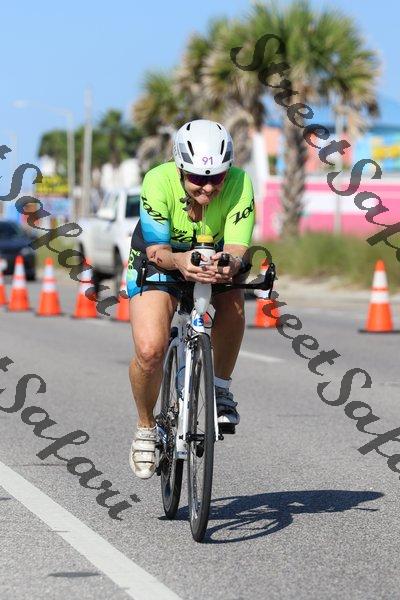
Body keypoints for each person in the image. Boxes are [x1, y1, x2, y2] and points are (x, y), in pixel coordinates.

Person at [127, 119, 255, 479]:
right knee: (150, 350)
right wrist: (181, 262)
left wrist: (230, 264)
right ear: (180, 168)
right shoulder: (157, 180)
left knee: (233, 303)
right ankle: (145, 427)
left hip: (213, 259)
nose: (209, 187)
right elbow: (157, 250)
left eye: (218, 178)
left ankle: (220, 389)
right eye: (198, 178)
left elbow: (237, 247)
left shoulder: (240, 183)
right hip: (161, 259)